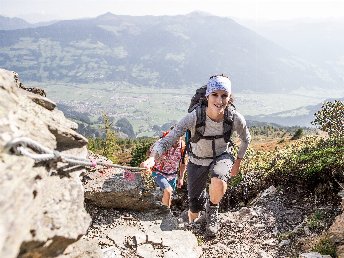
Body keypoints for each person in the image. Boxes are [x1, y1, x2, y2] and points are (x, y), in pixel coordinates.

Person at [141, 74, 251, 237]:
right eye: (215, 95)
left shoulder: (234, 118)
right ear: (207, 95)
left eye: (224, 95)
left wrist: (238, 162)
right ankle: (193, 224)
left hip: (222, 156)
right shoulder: (194, 117)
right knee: (194, 205)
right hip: (196, 160)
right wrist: (152, 157)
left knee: (219, 178)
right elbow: (167, 140)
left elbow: (246, 139)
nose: (219, 101)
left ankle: (212, 211)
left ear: (229, 97)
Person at [147, 130, 187, 210]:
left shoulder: (182, 147)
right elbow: (149, 154)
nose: (175, 140)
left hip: (172, 175)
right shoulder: (162, 143)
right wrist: (157, 157)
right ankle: (166, 215)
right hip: (158, 172)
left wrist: (181, 178)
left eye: (178, 137)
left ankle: (163, 211)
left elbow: (183, 163)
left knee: (169, 194)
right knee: (168, 191)